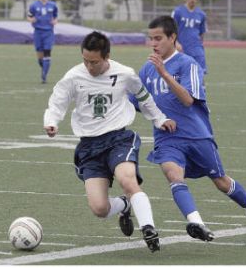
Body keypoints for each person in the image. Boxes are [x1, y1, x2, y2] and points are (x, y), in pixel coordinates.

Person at [130, 15, 246, 247]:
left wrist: (164, 74)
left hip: (196, 134)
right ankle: (197, 223)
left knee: (221, 182)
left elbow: (187, 100)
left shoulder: (187, 64)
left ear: (172, 37)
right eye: (150, 38)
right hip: (167, 138)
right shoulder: (146, 70)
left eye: (158, 38)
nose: (153, 43)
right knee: (173, 175)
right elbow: (134, 102)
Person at [43, 31, 176, 252]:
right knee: (99, 209)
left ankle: (148, 228)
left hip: (118, 139)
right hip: (89, 147)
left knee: (127, 180)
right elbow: (58, 102)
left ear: (107, 56)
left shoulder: (125, 74)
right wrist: (52, 121)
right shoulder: (73, 76)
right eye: (85, 60)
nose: (89, 66)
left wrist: (160, 118)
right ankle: (124, 205)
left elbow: (144, 97)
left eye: (94, 62)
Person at [171, 0, 207, 74]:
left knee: (199, 74)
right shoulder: (178, 12)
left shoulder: (201, 14)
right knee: (178, 75)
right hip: (182, 48)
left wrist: (200, 46)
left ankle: (201, 88)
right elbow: (171, 29)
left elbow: (202, 34)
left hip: (196, 49)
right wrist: (176, 43)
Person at [28, 0, 58, 83]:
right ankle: (43, 67)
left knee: (47, 53)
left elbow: (56, 17)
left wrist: (55, 21)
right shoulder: (34, 5)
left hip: (48, 33)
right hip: (38, 32)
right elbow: (29, 16)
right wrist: (31, 20)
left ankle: (44, 76)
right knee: (40, 56)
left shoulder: (53, 5)